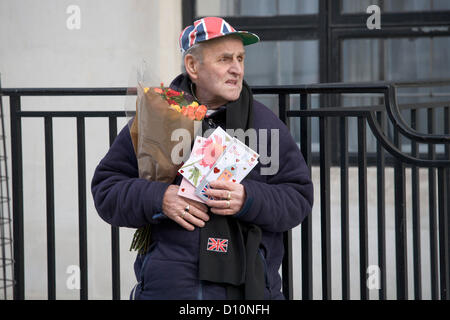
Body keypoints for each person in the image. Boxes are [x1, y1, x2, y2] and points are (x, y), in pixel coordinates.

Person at [91, 16, 313, 300]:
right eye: (224, 59)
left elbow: (299, 197)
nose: (236, 69)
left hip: (248, 293)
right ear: (193, 67)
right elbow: (106, 189)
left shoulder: (266, 124)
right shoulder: (156, 117)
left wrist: (248, 199)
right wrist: (160, 198)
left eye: (240, 59)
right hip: (168, 290)